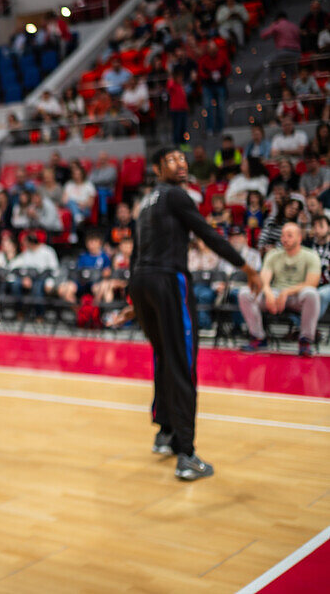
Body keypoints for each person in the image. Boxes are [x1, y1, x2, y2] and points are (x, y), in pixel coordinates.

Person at [110, 146, 261, 481]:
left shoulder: (145, 203)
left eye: (182, 159)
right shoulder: (177, 195)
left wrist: (135, 301)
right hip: (167, 280)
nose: (180, 164)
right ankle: (186, 454)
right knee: (182, 363)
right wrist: (246, 267)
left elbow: (136, 254)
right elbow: (207, 233)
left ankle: (164, 432)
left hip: (142, 282)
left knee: (164, 356)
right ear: (157, 167)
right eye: (171, 160)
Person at [239, 223, 320, 357]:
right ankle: (258, 337)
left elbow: (312, 283)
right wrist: (269, 294)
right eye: (283, 235)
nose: (284, 238)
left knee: (312, 293)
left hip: (297, 295)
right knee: (245, 293)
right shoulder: (273, 254)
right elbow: (263, 281)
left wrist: (286, 292)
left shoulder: (310, 255)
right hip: (275, 293)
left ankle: (305, 340)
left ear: (299, 238)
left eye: (289, 235)